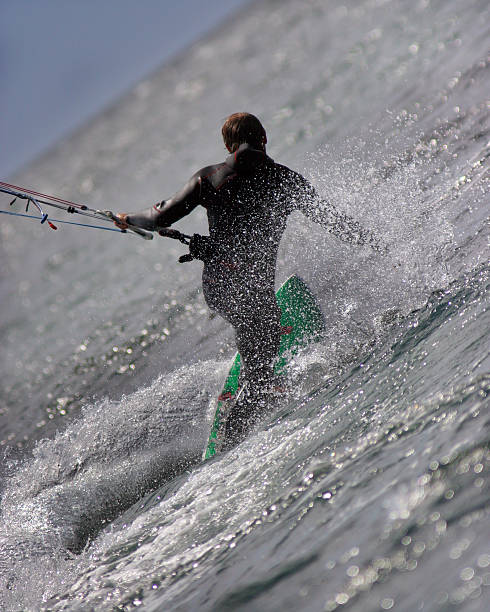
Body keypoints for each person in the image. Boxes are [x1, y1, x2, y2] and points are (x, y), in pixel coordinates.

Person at [116, 112, 382, 440]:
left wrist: (128, 218)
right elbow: (334, 221)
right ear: (265, 138)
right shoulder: (286, 180)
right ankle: (241, 425)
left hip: (221, 287)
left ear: (228, 146)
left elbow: (159, 216)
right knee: (261, 355)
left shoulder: (209, 178)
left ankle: (251, 392)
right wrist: (374, 243)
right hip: (254, 292)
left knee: (259, 340)